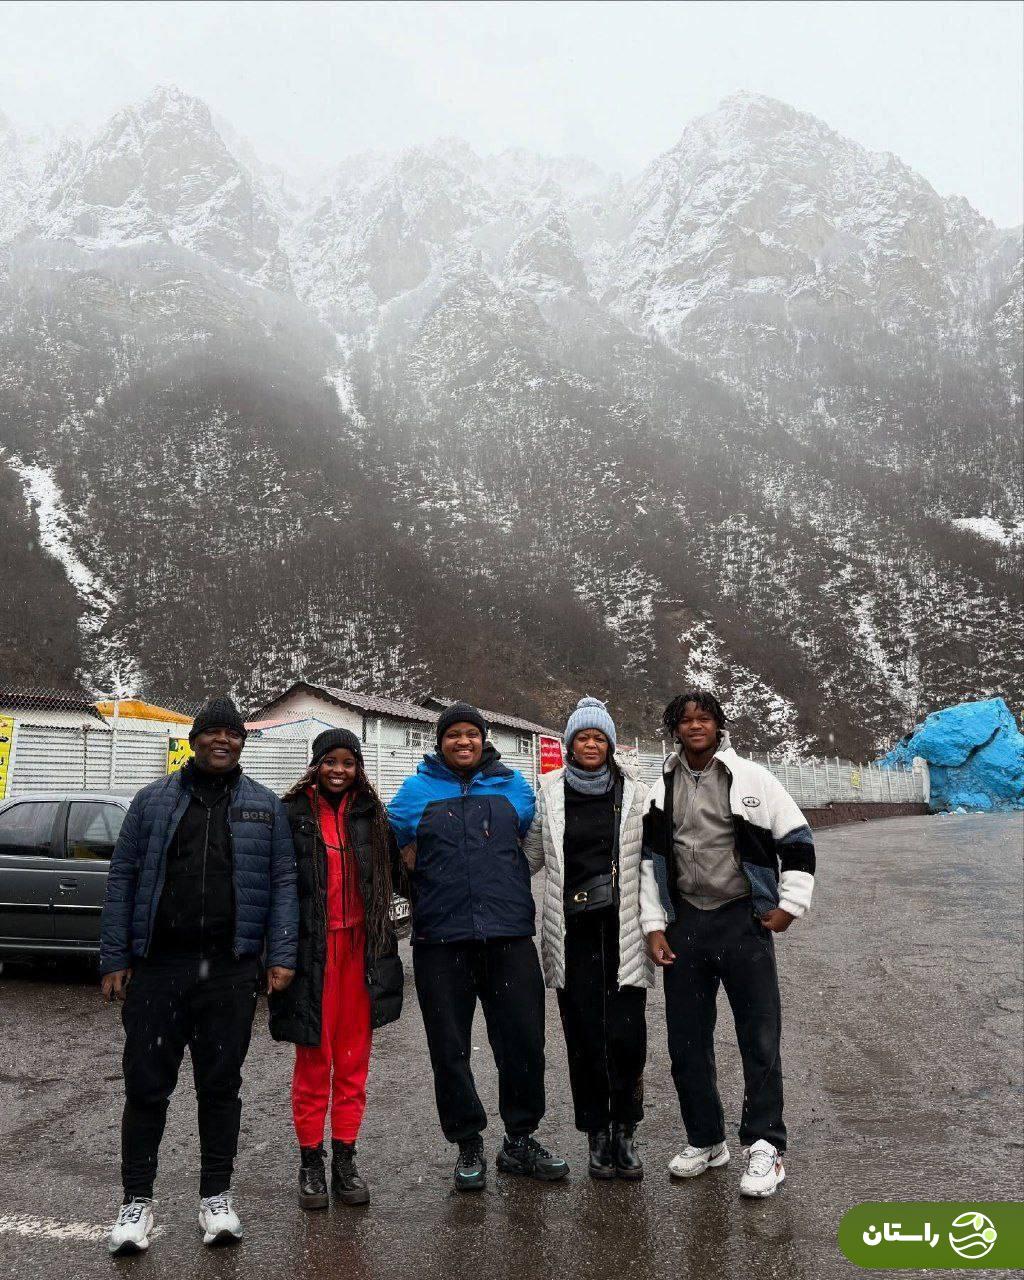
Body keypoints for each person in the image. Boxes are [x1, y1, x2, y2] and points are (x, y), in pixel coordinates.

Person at [99, 697, 298, 1255]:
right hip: (159, 967)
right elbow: (123, 877)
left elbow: (283, 882)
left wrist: (280, 953)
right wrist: (116, 956)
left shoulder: (264, 807)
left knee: (221, 1086)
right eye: (212, 732)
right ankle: (135, 1203)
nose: (222, 742)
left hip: (231, 971)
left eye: (232, 734)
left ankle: (217, 1199)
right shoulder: (153, 802)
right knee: (146, 1087)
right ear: (194, 739)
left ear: (241, 743)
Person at [387, 701, 569, 1191]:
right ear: (440, 741)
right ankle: (468, 1141)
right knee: (450, 1048)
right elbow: (391, 848)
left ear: (484, 739)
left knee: (523, 1042)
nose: (463, 742)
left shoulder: (514, 787)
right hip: (440, 943)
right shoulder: (415, 790)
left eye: (471, 734)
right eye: (453, 735)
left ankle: (519, 1138)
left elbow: (533, 846)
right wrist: (419, 886)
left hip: (509, 936)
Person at [640, 690, 816, 1198]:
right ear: (674, 729)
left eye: (705, 718)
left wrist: (789, 905)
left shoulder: (753, 778)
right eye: (686, 720)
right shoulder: (661, 787)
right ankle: (705, 1139)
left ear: (719, 725)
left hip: (744, 921)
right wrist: (655, 925)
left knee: (759, 1039)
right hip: (686, 926)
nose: (696, 726)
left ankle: (765, 1145)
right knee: (686, 1043)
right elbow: (648, 863)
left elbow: (797, 838)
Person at [268, 728, 404, 1210]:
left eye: (348, 762)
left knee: (352, 1063)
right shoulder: (291, 816)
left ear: (358, 767)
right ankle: (311, 1162)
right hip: (313, 955)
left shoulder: (374, 815)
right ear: (316, 765)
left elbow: (401, 872)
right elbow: (276, 886)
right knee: (312, 1061)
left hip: (362, 953)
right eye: (330, 761)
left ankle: (345, 1160)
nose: (339, 770)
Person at [524, 697, 653, 1181]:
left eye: (600, 737)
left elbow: (651, 863)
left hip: (623, 932)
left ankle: (626, 1130)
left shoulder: (636, 794)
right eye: (583, 737)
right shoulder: (548, 792)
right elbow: (529, 857)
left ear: (611, 745)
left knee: (626, 1037)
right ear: (569, 745)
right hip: (571, 933)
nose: (592, 744)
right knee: (582, 1037)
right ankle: (596, 1133)